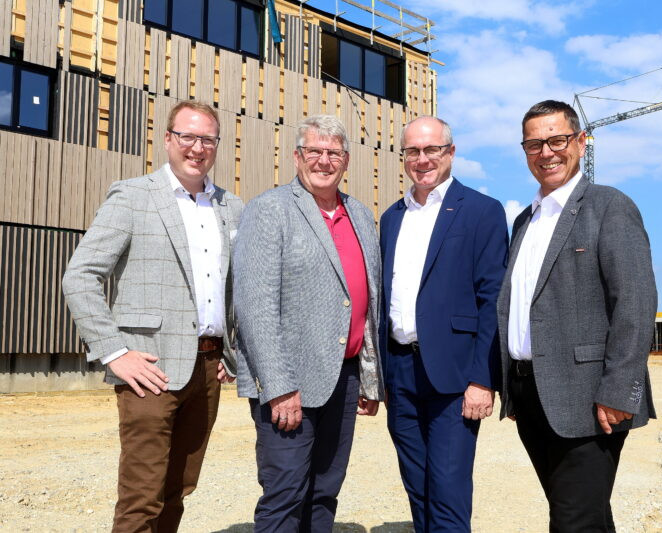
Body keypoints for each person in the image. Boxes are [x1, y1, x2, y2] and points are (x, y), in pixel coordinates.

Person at [62, 100, 242, 532]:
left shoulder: (232, 207)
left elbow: (237, 288)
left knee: (179, 488)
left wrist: (232, 353)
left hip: (208, 368)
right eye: (187, 136)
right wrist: (114, 351)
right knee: (141, 496)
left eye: (207, 139)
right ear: (167, 139)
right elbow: (80, 276)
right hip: (150, 368)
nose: (197, 148)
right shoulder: (133, 196)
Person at [498, 100, 658, 532]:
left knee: (573, 521)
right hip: (531, 395)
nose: (546, 152)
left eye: (557, 140)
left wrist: (620, 389)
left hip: (590, 398)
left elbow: (636, 302)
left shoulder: (609, 206)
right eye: (534, 144)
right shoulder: (524, 221)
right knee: (585, 515)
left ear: (581, 142)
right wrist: (513, 388)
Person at [233, 114, 383, 532]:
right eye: (314, 151)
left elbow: (368, 300)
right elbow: (255, 305)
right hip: (290, 383)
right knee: (285, 494)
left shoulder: (360, 214)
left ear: (346, 160)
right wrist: (279, 386)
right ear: (297, 157)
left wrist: (369, 378)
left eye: (333, 152)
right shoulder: (270, 209)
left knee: (325, 491)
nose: (324, 160)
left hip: (345, 378)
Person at [379, 116, 508, 532]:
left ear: (450, 152)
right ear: (403, 157)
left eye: (432, 149)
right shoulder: (392, 218)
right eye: (413, 151)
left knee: (448, 491)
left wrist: (483, 379)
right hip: (400, 373)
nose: (423, 159)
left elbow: (492, 301)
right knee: (417, 487)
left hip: (454, 376)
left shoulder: (482, 212)